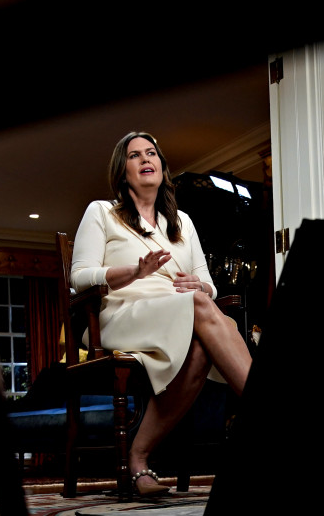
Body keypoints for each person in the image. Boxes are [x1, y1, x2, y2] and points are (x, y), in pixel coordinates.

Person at [70, 131, 253, 497]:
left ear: (162, 168)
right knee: (206, 311)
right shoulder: (102, 213)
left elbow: (208, 284)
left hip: (177, 313)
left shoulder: (183, 222)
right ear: (123, 172)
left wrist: (197, 285)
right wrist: (134, 272)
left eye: (150, 153)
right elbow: (78, 278)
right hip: (120, 316)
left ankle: (138, 459)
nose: (144, 159)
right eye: (134, 155)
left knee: (202, 338)